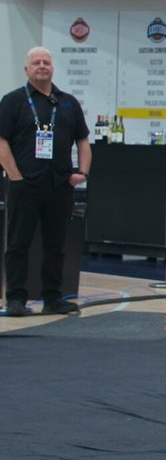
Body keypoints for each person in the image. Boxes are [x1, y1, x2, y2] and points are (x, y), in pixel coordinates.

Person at [0, 47, 90, 316]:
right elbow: (2, 141)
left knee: (55, 245)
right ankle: (16, 299)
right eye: (36, 62)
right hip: (25, 185)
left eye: (46, 62)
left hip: (59, 186)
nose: (42, 66)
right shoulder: (13, 101)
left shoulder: (68, 103)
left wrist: (82, 173)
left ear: (52, 68)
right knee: (18, 244)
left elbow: (83, 140)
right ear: (26, 69)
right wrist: (15, 175)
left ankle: (53, 298)